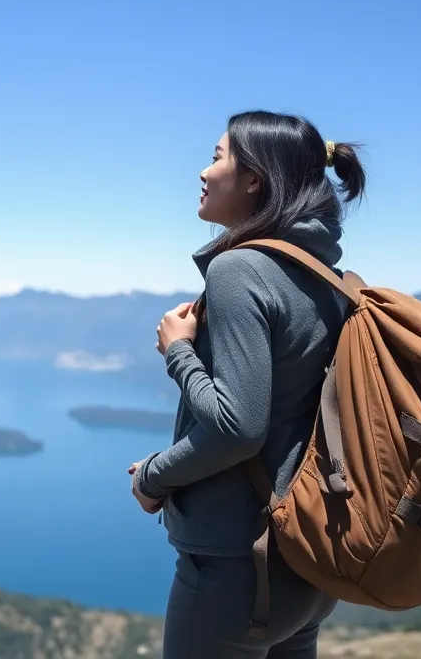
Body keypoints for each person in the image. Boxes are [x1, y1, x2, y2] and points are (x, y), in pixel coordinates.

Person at [127, 110, 367, 658]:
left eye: (217, 157)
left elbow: (238, 429)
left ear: (254, 179)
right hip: (306, 563)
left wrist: (179, 354)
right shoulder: (331, 279)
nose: (203, 172)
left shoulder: (239, 270)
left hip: (235, 569)